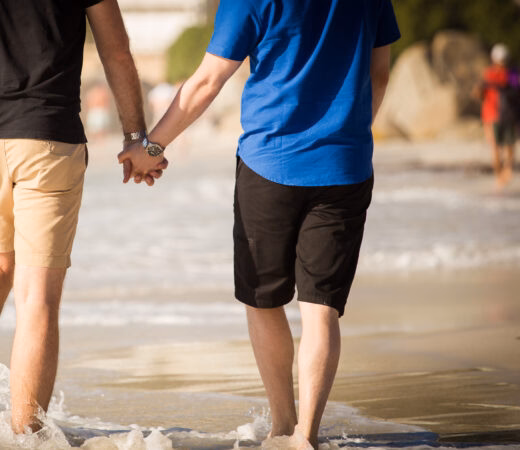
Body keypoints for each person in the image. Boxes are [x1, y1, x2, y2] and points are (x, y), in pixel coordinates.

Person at [119, 0, 399, 448]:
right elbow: (380, 72)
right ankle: (306, 436)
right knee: (321, 309)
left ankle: (283, 425)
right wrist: (348, 135)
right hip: (345, 166)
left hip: (271, 164)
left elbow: (208, 80)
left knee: (263, 300)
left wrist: (151, 148)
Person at [0, 0, 165, 433]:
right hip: (47, 134)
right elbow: (116, 51)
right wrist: (136, 137)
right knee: (37, 297)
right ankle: (26, 436)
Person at [480, 43, 519, 188]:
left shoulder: (512, 74)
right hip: (493, 115)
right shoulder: (489, 74)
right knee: (496, 147)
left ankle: (505, 173)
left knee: (508, 146)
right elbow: (480, 94)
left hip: (507, 115)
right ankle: (499, 177)